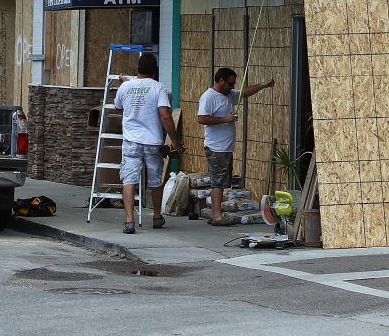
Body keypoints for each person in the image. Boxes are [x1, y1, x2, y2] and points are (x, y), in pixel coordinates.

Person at [112, 53, 180, 234]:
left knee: (129, 180)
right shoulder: (159, 88)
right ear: (155, 71)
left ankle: (129, 221)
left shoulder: (125, 86)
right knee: (156, 181)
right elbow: (165, 115)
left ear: (137, 69)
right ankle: (157, 217)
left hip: (131, 142)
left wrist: (123, 82)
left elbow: (118, 107)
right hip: (152, 143)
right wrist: (174, 140)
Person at [197, 67, 274, 226]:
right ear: (221, 81)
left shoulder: (229, 94)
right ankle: (217, 216)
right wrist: (225, 119)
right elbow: (202, 119)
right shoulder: (209, 97)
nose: (232, 87)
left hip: (226, 147)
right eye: (230, 84)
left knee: (222, 181)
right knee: (218, 182)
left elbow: (245, 92)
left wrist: (263, 85)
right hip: (216, 147)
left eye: (233, 84)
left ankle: (215, 214)